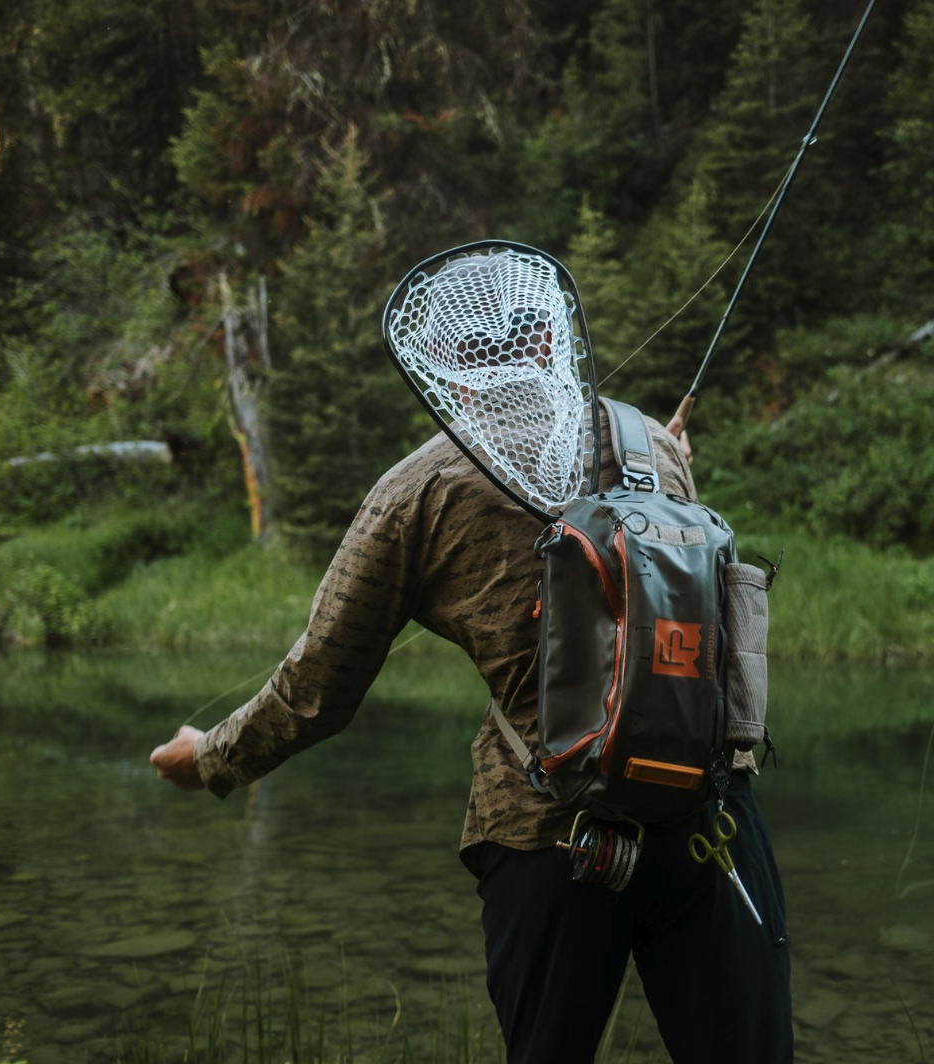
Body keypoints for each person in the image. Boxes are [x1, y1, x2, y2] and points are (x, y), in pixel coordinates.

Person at [150, 248, 792, 1064]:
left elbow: (319, 688)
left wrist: (211, 758)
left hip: (549, 841)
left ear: (447, 367)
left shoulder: (416, 491)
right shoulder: (650, 445)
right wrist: (668, 464)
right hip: (707, 823)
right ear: (551, 339)